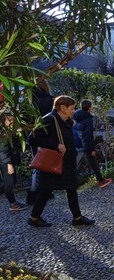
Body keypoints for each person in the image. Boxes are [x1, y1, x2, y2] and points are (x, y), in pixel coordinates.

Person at [27, 95, 95, 227]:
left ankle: (77, 217)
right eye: (71, 108)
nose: (73, 111)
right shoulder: (49, 119)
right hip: (54, 162)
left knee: (70, 188)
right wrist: (55, 145)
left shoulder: (64, 120)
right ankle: (34, 218)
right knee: (45, 190)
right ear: (62, 108)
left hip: (66, 162)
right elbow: (32, 139)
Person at [26, 77, 55, 205]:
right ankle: (45, 190)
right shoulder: (50, 100)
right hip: (49, 136)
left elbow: (25, 121)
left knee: (37, 164)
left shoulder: (29, 102)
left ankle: (34, 192)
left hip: (34, 136)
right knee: (48, 164)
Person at [73, 99, 112, 188]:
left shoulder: (75, 116)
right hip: (85, 144)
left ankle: (72, 184)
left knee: (75, 164)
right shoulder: (88, 119)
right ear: (90, 107)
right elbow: (88, 135)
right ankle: (101, 181)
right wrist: (92, 149)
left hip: (76, 143)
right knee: (93, 162)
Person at [0, 109, 29, 211]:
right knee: (9, 183)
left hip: (7, 160)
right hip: (5, 162)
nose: (12, 123)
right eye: (10, 121)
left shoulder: (9, 131)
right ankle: (13, 204)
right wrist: (8, 164)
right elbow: (2, 150)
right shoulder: (4, 133)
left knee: (11, 181)